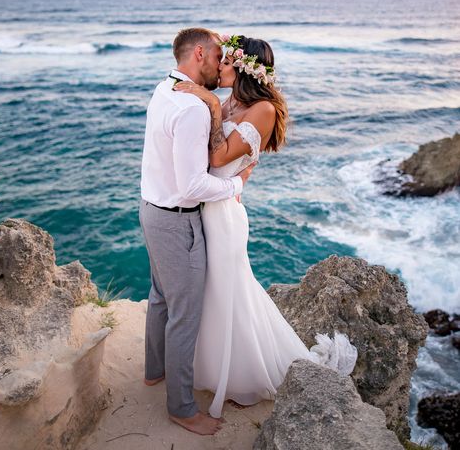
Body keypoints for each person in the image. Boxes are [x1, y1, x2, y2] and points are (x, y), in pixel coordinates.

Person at [174, 34, 358, 419]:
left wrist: (206, 102)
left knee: (231, 293)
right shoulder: (233, 102)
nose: (217, 67)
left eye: (225, 62)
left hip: (223, 215)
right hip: (213, 204)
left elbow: (219, 154)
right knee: (216, 293)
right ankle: (214, 365)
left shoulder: (261, 109)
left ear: (241, 68)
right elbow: (224, 160)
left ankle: (252, 377)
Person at [139, 28, 255, 436]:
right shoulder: (193, 108)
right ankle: (183, 408)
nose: (222, 65)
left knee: (160, 297)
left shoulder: (167, 87)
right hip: (177, 220)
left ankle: (154, 372)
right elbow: (192, 186)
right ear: (200, 54)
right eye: (219, 56)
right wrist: (236, 186)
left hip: (150, 209)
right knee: (185, 314)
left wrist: (211, 101)